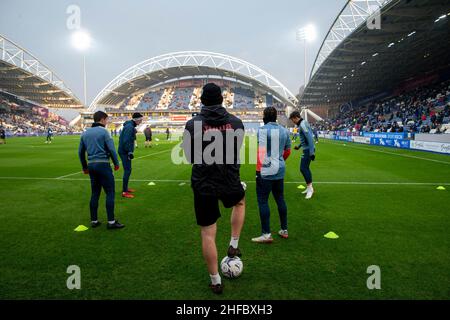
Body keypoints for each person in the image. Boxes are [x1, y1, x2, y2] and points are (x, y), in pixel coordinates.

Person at [182, 83, 246, 295]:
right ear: (222, 99)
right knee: (240, 201)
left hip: (203, 182)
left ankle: (215, 280)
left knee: (208, 233)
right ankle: (234, 243)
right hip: (229, 179)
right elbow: (235, 152)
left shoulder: (192, 124)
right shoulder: (236, 122)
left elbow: (190, 156)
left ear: (202, 101)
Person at [78, 111, 124, 229]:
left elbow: (80, 152)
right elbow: (112, 150)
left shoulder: (85, 133)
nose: (107, 122)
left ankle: (94, 220)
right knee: (110, 192)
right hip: (103, 164)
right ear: (102, 119)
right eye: (107, 120)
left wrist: (84, 167)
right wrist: (116, 163)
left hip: (91, 165)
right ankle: (111, 222)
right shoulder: (104, 132)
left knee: (95, 193)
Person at [252, 107, 291, 243]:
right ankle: (284, 229)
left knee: (263, 200)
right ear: (276, 117)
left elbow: (261, 152)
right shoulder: (285, 131)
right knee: (280, 198)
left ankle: (266, 234)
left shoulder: (262, 130)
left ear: (264, 117)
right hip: (279, 169)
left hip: (266, 169)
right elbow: (287, 151)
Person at [289, 111, 316, 200]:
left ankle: (310, 189)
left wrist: (312, 153)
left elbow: (310, 138)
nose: (292, 121)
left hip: (308, 150)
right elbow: (305, 138)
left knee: (303, 168)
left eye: (292, 119)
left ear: (296, 117)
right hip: (306, 149)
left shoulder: (303, 125)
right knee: (305, 168)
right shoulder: (302, 124)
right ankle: (309, 187)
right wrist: (299, 146)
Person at [118, 113, 143, 199]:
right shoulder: (130, 127)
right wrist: (129, 152)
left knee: (128, 169)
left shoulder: (130, 126)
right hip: (124, 152)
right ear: (137, 119)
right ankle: (124, 192)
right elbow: (126, 140)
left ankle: (125, 188)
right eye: (141, 119)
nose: (141, 121)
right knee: (127, 170)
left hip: (124, 151)